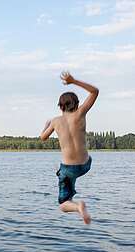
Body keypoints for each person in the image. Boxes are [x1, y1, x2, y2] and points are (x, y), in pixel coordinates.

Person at [40, 71, 99, 224]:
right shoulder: (81, 113)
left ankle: (78, 206)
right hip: (85, 165)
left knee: (63, 204)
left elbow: (43, 137)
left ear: (60, 106)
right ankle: (77, 201)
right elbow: (95, 91)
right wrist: (73, 81)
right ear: (77, 104)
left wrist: (46, 125)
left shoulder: (55, 121)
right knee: (82, 159)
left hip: (67, 170)